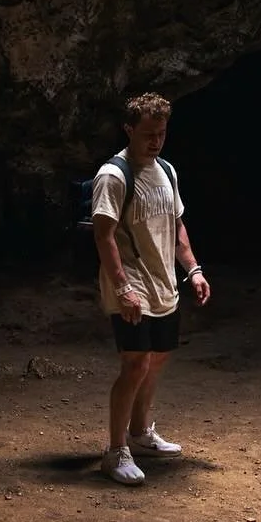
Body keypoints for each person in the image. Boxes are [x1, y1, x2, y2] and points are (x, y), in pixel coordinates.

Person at [90, 91, 211, 484]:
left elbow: (176, 226)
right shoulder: (114, 175)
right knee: (136, 362)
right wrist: (123, 288)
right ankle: (115, 451)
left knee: (158, 357)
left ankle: (140, 434)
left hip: (163, 284)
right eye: (148, 134)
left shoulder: (167, 171)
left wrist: (193, 269)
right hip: (132, 284)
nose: (156, 141)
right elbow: (104, 236)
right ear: (128, 130)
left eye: (161, 133)